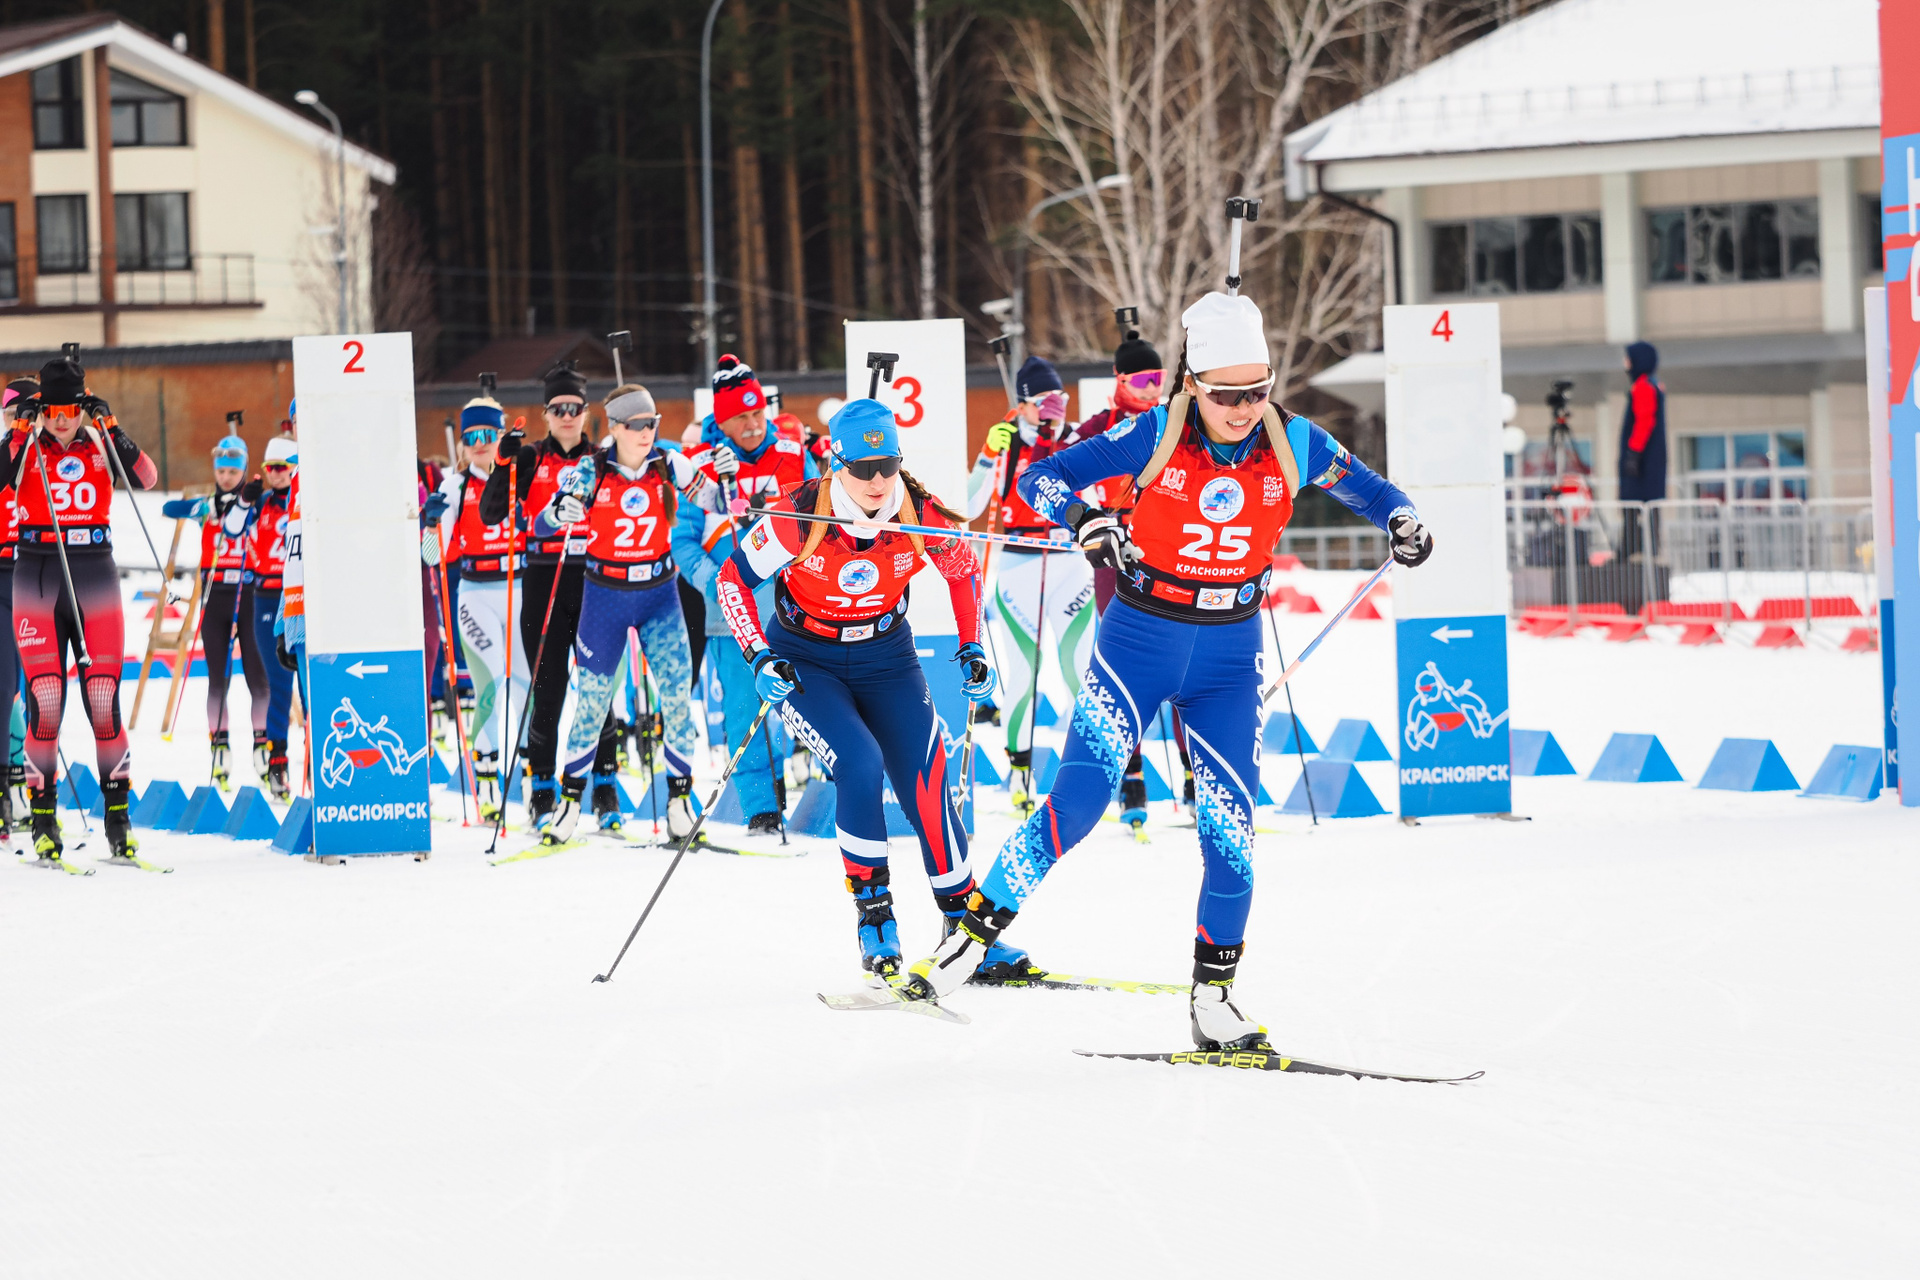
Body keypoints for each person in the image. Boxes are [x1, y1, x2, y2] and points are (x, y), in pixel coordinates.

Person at [902, 290, 1433, 1048]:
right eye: (1226, 395)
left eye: (1258, 390)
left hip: (1229, 657)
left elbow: (1375, 493)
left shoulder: (1294, 441)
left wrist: (1402, 520)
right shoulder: (1155, 431)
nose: (1244, 408)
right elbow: (1039, 481)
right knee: (1077, 804)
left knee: (1231, 832)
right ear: (1193, 385)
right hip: (1138, 641)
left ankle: (1213, 1000)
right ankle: (969, 941)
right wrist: (1086, 519)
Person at [716, 399, 1039, 983]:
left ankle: (964, 927)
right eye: (862, 469)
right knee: (860, 763)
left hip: (887, 656)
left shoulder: (918, 513)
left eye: (887, 465)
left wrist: (972, 645)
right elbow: (732, 580)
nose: (877, 480)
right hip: (805, 659)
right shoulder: (799, 514)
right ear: (837, 464)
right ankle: (875, 916)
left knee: (927, 776)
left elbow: (963, 571)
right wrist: (758, 654)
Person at [532, 384, 726, 846]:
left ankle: (679, 802)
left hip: (660, 596)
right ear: (616, 428)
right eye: (637, 424)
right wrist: (559, 512)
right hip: (606, 598)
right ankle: (569, 803)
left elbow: (720, 503)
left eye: (652, 423)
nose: (647, 431)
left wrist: (726, 474)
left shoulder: (669, 463)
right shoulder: (592, 469)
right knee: (592, 702)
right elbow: (539, 523)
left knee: (677, 697)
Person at [2, 354, 159, 867]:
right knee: (46, 700)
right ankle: (44, 821)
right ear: (41, 409)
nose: (63, 420)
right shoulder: (26, 444)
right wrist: (20, 428)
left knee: (103, 699)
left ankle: (119, 821)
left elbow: (147, 476)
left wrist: (110, 425)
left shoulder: (97, 441)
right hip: (38, 574)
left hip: (94, 574)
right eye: (53, 411)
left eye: (72, 410)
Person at [673, 353, 814, 833]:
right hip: (731, 609)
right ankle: (762, 807)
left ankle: (829, 784)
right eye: (741, 417)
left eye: (758, 413)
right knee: (743, 708)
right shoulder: (699, 465)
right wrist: (715, 583)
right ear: (722, 420)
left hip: (794, 603)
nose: (753, 425)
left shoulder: (792, 453)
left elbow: (817, 522)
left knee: (811, 695)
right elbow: (682, 540)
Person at [479, 361, 621, 832]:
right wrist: (503, 463)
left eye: (574, 408)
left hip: (595, 582)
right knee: (549, 689)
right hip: (544, 581)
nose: (566, 416)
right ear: (545, 414)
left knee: (598, 690)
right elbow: (490, 514)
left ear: (586, 412)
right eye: (557, 409)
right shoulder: (531, 457)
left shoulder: (602, 459)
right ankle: (541, 788)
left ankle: (604, 786)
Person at [1064, 326, 1190, 829]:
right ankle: (1131, 778)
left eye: (1158, 378)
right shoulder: (1100, 426)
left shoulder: (1173, 419)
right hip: (1118, 553)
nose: (1152, 388)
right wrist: (1088, 517)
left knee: (1186, 661)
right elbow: (1059, 469)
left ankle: (1193, 775)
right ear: (1119, 380)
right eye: (1141, 381)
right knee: (1126, 666)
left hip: (1173, 549)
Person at [965, 355, 1096, 810]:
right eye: (1042, 400)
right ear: (1021, 405)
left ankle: (1089, 773)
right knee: (1024, 674)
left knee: (1080, 672)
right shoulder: (1006, 442)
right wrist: (986, 456)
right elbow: (969, 507)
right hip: (1020, 567)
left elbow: (1101, 492)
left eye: (1059, 398)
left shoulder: (1073, 438)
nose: (1052, 408)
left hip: (1069, 564)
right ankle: (1020, 772)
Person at [433, 398, 531, 817]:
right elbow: (433, 556)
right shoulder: (454, 487)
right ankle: (487, 781)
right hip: (476, 594)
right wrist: (430, 525)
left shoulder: (521, 477)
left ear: (501, 436)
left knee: (526, 688)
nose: (479, 443)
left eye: (488, 434)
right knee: (490, 687)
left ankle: (533, 780)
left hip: (522, 588)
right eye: (471, 436)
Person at [160, 431, 260, 791]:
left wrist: (244, 503)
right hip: (215, 595)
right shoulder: (209, 504)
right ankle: (220, 749)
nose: (226, 478)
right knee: (218, 678)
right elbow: (169, 509)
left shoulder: (254, 502)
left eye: (233, 472)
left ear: (243, 470)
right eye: (221, 472)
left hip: (249, 593)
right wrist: (202, 508)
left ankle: (263, 749)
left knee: (257, 676)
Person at [223, 436, 299, 800]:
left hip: (300, 597)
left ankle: (318, 761)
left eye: (282, 468)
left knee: (311, 687)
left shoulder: (304, 502)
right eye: (270, 468)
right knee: (278, 685)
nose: (275, 474)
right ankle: (277, 765)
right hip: (267, 599)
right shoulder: (261, 503)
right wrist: (244, 500)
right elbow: (230, 530)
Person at [0, 378, 35, 834]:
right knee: (6, 685)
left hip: (35, 574)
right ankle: (8, 786)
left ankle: (25, 782)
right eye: (11, 416)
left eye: (25, 415)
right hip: (2, 574)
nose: (18, 423)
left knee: (32, 688)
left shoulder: (46, 460)